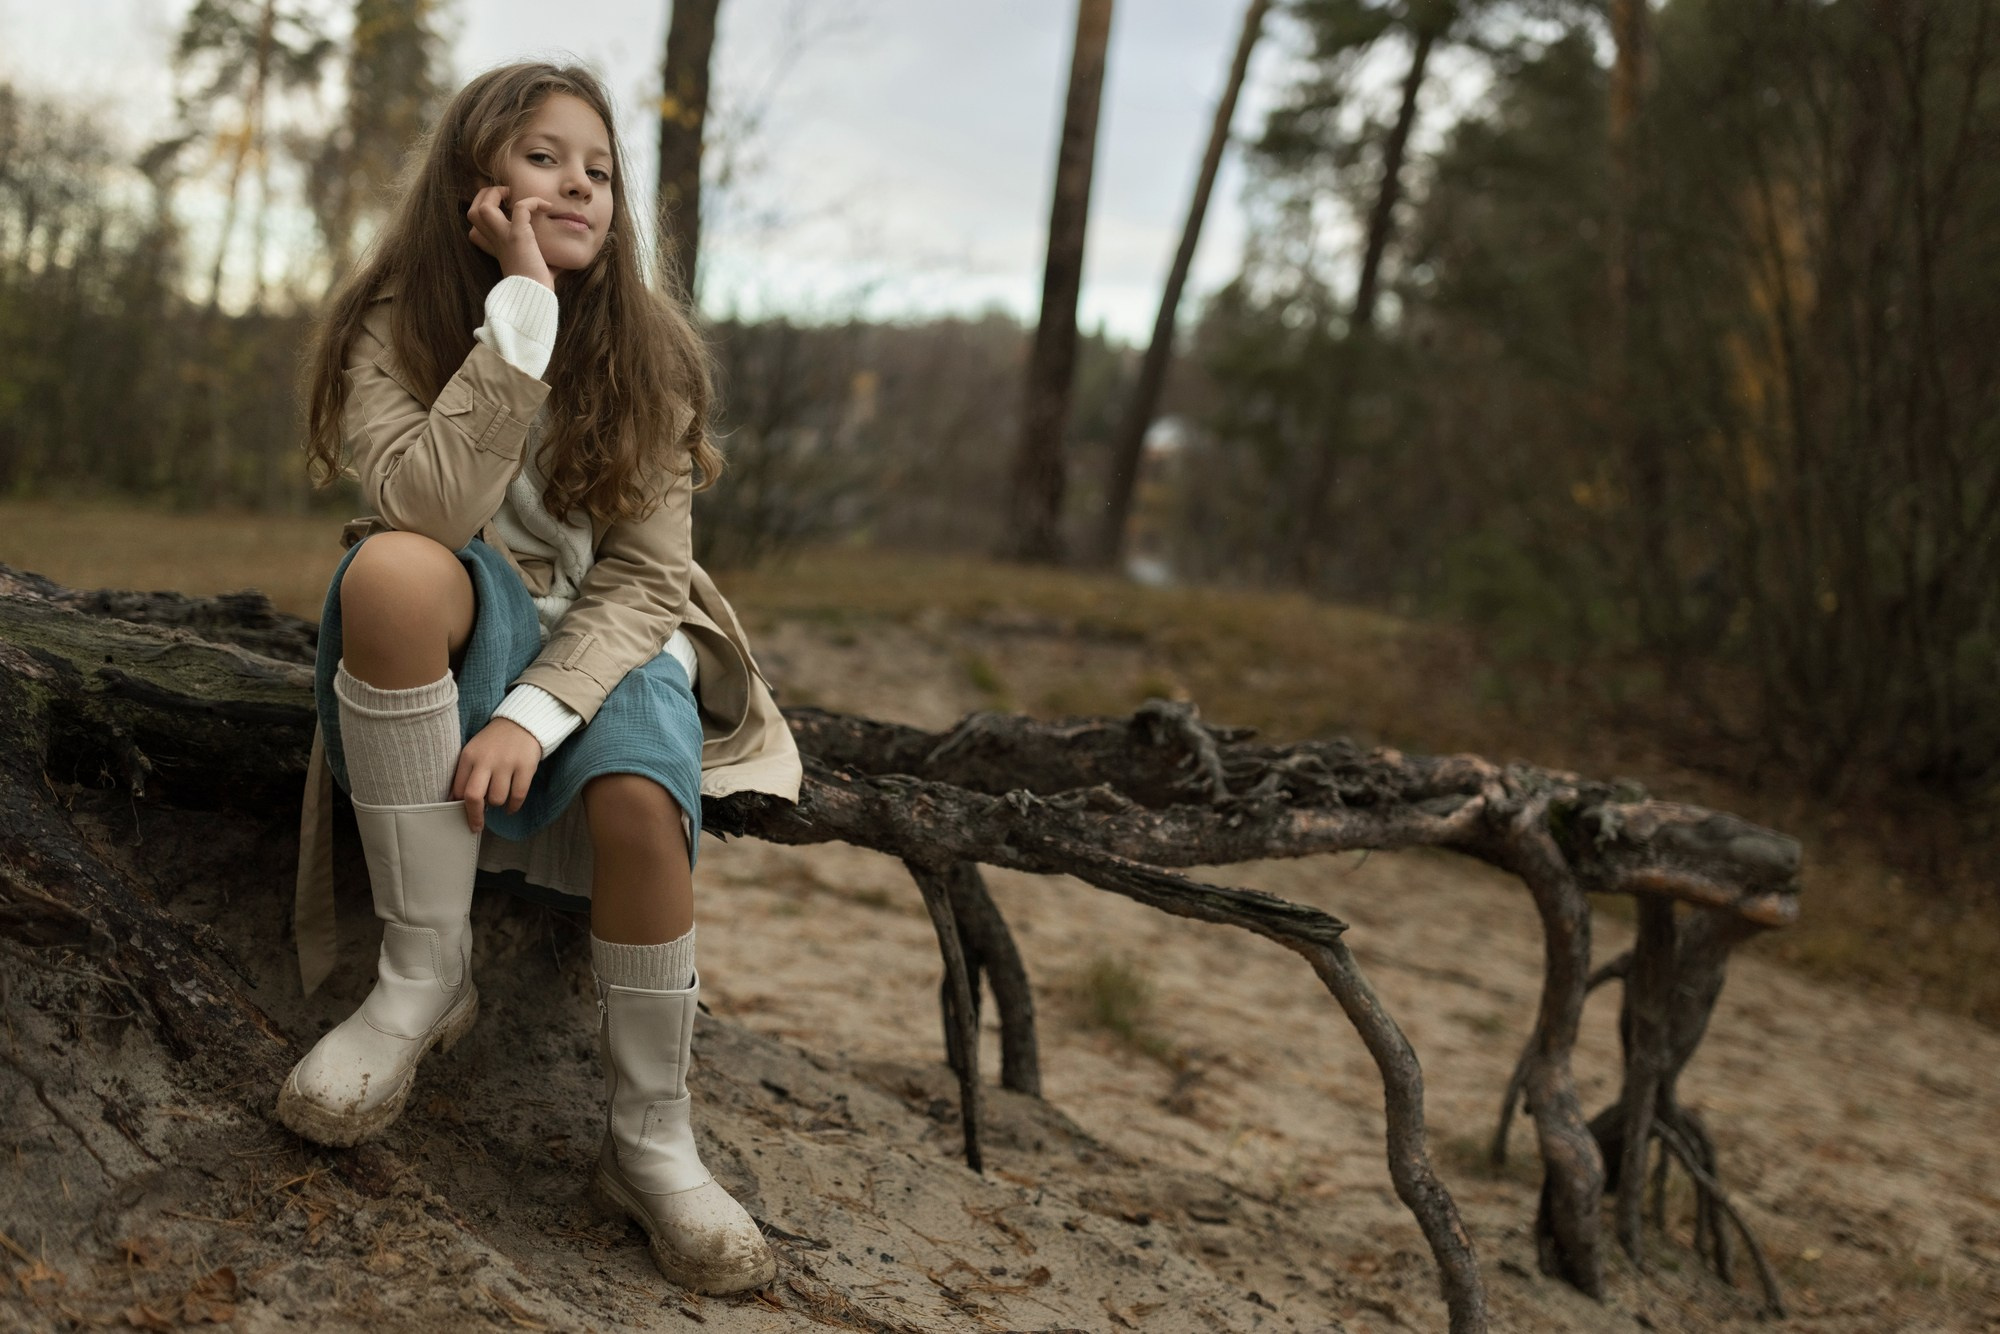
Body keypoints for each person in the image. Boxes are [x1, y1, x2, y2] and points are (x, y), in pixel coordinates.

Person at [282, 60, 801, 1297]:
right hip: (468, 603)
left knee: (639, 801)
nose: (577, 185)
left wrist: (531, 712)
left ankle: (649, 1136)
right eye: (542, 157)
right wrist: (519, 316)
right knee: (390, 571)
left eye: (599, 170)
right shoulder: (392, 322)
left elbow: (645, 580)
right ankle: (421, 974)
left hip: (613, 633)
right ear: (476, 182)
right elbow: (427, 507)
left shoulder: (649, 354)